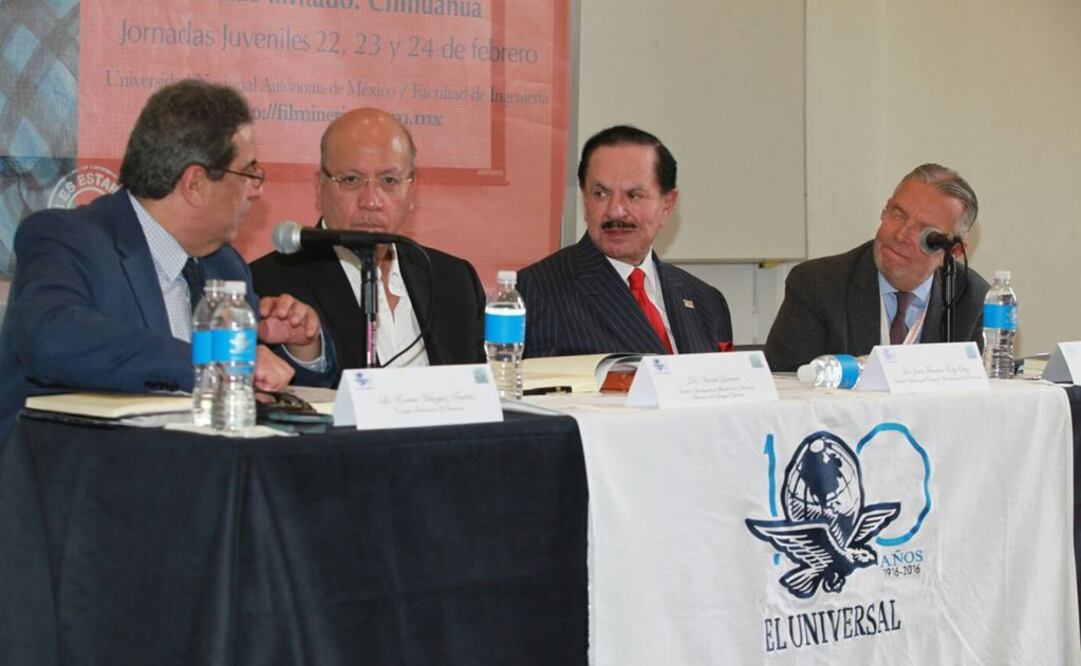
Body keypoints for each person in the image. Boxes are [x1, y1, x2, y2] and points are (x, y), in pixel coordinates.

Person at [0, 79, 333, 434]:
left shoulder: (225, 265)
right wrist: (212, 361)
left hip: (202, 460)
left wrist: (297, 349)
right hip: (77, 461)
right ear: (195, 184)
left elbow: (251, 391)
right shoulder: (67, 238)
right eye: (248, 173)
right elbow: (51, 339)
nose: (257, 189)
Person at [250, 108, 485, 381]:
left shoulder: (454, 282)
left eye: (389, 180)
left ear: (411, 190)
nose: (371, 201)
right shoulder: (266, 287)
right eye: (351, 180)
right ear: (319, 188)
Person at [517, 125, 733, 358]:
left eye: (634, 195)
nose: (615, 211)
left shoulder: (707, 301)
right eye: (601, 194)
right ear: (585, 200)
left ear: (667, 205)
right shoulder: (537, 291)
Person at [765, 163, 990, 372]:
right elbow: (788, 384)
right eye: (898, 215)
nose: (901, 235)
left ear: (954, 251)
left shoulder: (973, 300)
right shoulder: (817, 285)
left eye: (926, 233)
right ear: (885, 210)